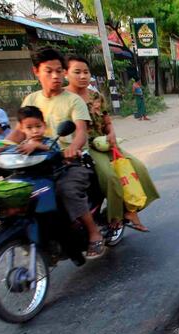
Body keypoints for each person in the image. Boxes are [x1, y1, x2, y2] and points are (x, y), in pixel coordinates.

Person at [6, 47, 104, 259]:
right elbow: (17, 132)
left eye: (59, 71)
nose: (56, 76)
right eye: (49, 71)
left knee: (66, 190)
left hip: (69, 162)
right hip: (36, 163)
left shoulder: (73, 100)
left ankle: (94, 233)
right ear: (36, 72)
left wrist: (72, 148)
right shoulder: (31, 100)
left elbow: (81, 132)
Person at [65, 55, 159, 232]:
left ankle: (129, 210)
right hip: (86, 147)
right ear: (66, 73)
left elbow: (107, 122)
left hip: (106, 143)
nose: (82, 76)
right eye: (77, 72)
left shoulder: (96, 96)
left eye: (86, 72)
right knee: (110, 177)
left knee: (139, 167)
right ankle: (114, 217)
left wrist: (112, 134)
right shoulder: (64, 98)